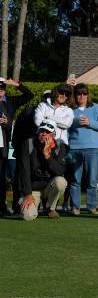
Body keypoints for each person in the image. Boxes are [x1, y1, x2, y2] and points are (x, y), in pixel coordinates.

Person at [68, 83, 98, 215]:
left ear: (88, 95)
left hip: (92, 148)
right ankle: (75, 207)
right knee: (75, 180)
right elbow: (64, 126)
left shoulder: (95, 107)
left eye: (84, 93)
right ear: (75, 95)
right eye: (79, 93)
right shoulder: (70, 109)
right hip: (74, 148)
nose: (82, 96)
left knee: (92, 180)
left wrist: (90, 123)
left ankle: (92, 207)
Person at [18, 119, 68, 221]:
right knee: (28, 216)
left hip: (49, 188)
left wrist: (47, 156)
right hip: (32, 190)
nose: (44, 134)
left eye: (48, 132)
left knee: (61, 182)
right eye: (42, 131)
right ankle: (34, 205)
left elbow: (60, 171)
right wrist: (28, 194)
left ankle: (50, 208)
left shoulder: (60, 147)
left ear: (53, 135)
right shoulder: (28, 144)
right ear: (38, 132)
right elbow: (24, 171)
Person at [0, 77, 34, 217]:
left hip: (4, 144)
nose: (0, 91)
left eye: (2, 88)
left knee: (5, 177)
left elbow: (29, 95)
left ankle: (5, 207)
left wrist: (17, 84)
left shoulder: (11, 102)